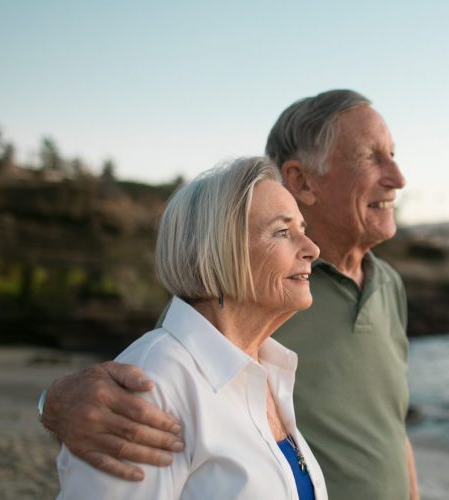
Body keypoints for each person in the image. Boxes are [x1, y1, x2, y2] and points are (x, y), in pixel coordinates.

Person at [42, 90, 419, 499]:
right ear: (301, 180)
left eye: (393, 155)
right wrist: (52, 402)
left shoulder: (382, 290)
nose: (398, 178)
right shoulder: (243, 307)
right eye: (370, 157)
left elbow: (393, 427)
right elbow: (163, 376)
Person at [57, 157, 326, 499]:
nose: (312, 249)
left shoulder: (268, 371)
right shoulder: (152, 383)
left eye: (303, 230)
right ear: (216, 252)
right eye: (283, 232)